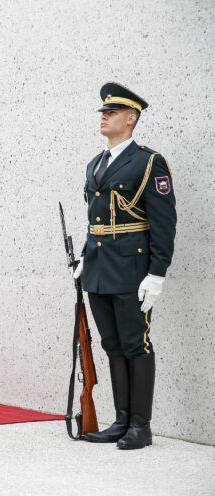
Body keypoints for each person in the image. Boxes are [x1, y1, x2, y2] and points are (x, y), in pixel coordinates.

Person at [74, 82, 176, 449]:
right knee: (112, 345)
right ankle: (120, 421)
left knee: (136, 345)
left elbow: (164, 223)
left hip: (133, 270)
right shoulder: (95, 163)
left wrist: (157, 273)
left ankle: (141, 426)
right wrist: (86, 256)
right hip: (100, 269)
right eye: (103, 112)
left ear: (131, 118)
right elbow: (95, 218)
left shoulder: (149, 162)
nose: (103, 116)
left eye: (111, 112)